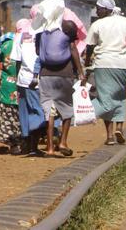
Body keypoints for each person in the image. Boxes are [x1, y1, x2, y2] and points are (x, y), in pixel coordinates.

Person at [83, 0, 126, 146]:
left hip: (104, 64)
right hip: (122, 65)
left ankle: (106, 132)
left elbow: (89, 46)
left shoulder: (97, 24)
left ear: (106, 9)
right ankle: (119, 128)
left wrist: (87, 62)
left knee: (105, 99)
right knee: (119, 97)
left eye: (99, 8)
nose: (97, 11)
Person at [36, 16, 84, 157]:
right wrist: (81, 73)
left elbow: (38, 52)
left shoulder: (43, 31)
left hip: (46, 75)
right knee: (67, 108)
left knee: (49, 112)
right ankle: (63, 142)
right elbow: (73, 50)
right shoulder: (67, 29)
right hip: (65, 75)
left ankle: (50, 148)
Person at [10, 18, 46, 156]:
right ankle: (33, 147)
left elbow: (17, 61)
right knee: (37, 112)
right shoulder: (45, 34)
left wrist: (18, 80)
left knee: (24, 112)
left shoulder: (21, 35)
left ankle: (25, 143)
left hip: (23, 79)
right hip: (37, 79)